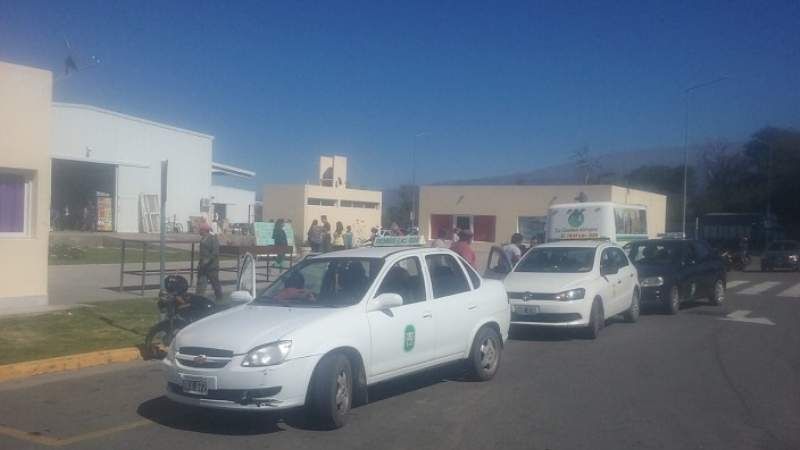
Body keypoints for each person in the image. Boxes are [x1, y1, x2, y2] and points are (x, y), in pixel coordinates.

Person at [196, 221, 223, 302]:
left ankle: (219, 298)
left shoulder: (213, 238)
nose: (199, 231)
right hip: (203, 267)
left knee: (215, 284)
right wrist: (200, 264)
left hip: (212, 266)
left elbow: (215, 252)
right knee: (201, 284)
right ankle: (198, 300)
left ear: (204, 230)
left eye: (200, 230)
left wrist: (207, 260)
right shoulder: (202, 239)